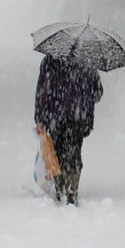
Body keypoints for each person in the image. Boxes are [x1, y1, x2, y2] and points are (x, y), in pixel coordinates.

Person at [34, 54, 103, 205]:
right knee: (74, 152)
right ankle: (72, 189)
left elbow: (42, 92)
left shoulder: (49, 60)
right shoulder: (87, 60)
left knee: (58, 152)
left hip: (55, 116)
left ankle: (61, 188)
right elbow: (98, 93)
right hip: (79, 117)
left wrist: (40, 117)